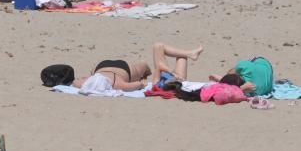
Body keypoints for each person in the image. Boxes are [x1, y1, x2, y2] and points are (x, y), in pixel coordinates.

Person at [72, 42, 203, 92]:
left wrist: (164, 70)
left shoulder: (117, 84)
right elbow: (139, 84)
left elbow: (140, 84)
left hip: (164, 73)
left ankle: (190, 53)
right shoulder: (179, 82)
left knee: (157, 49)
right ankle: (189, 54)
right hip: (102, 67)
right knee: (168, 51)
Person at [209, 56, 274, 96]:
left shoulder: (248, 91)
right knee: (234, 70)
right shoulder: (245, 67)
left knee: (232, 73)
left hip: (268, 82)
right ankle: (225, 79)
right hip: (264, 63)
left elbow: (231, 93)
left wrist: (242, 89)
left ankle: (224, 80)